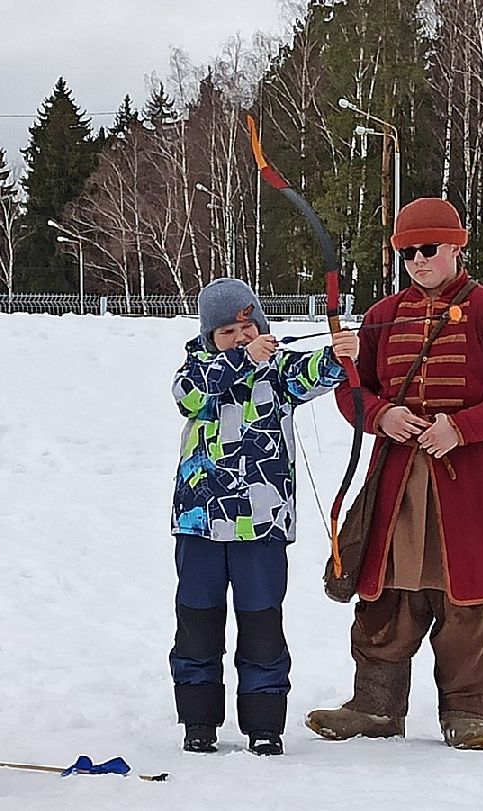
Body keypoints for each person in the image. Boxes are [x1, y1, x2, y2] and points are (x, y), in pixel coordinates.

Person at [306, 197, 483, 751]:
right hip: (396, 478)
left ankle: (468, 712)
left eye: (429, 249)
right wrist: (381, 414)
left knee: (468, 597)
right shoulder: (382, 317)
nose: (418, 260)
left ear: (455, 247)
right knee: (386, 592)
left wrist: (460, 429)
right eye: (408, 252)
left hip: (473, 476)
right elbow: (354, 390)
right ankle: (375, 707)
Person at [170, 278, 358, 757]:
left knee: (261, 625)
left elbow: (315, 372)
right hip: (200, 521)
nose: (240, 336)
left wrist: (342, 353)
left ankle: (264, 723)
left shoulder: (278, 372)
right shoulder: (196, 370)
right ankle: (198, 720)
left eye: (247, 326)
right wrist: (243, 359)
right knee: (197, 623)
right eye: (227, 331)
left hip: (262, 524)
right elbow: (192, 395)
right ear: (209, 336)